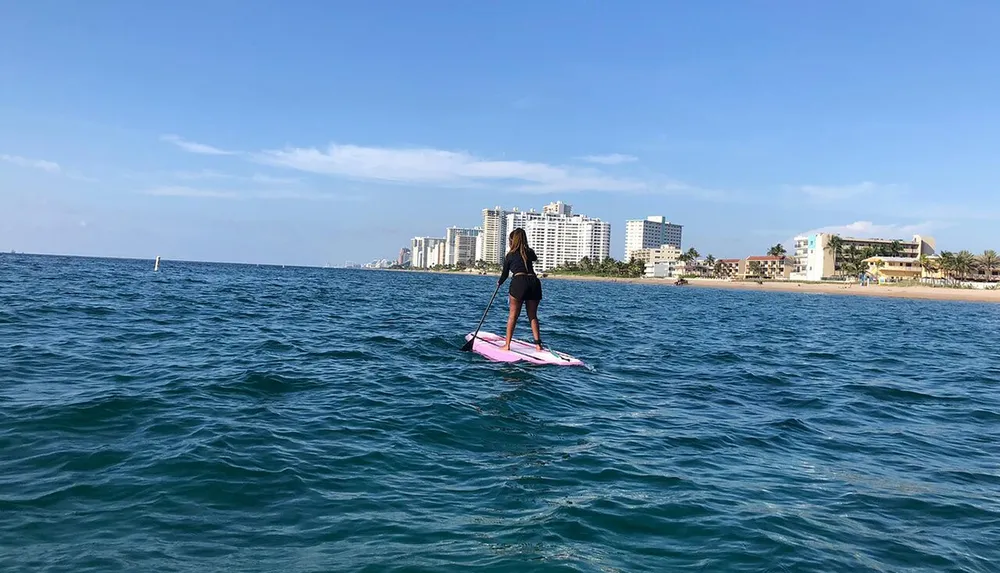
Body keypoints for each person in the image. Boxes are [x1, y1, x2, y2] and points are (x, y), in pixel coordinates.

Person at [496, 228, 543, 351]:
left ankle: (507, 345)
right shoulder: (529, 252)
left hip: (519, 282)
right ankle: (538, 345)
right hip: (534, 282)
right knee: (532, 315)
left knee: (513, 316)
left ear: (512, 241)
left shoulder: (510, 255)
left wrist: (499, 283)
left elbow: (505, 275)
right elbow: (534, 257)